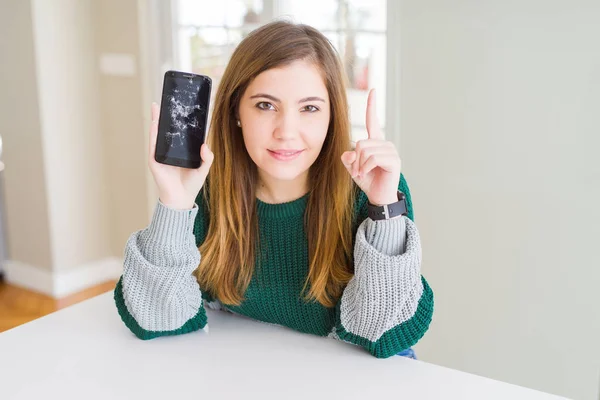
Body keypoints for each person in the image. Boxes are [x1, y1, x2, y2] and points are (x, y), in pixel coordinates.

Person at [114, 20, 434, 359]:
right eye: (266, 105)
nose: (287, 131)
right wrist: (174, 205)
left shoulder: (374, 188)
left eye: (309, 108)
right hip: (250, 369)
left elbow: (383, 332)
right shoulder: (206, 187)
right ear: (236, 110)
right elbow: (156, 318)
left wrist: (384, 209)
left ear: (331, 116)